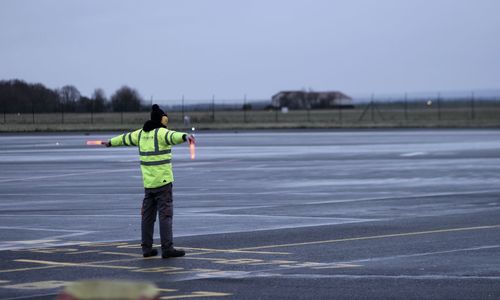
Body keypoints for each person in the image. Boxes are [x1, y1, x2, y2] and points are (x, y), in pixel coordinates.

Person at [104, 104, 195, 258]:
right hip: (164, 183)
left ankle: (146, 248)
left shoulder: (140, 134)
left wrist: (110, 142)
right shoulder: (161, 133)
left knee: (147, 217)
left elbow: (125, 138)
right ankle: (167, 248)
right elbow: (173, 136)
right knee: (165, 216)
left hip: (148, 184)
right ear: (163, 119)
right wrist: (186, 136)